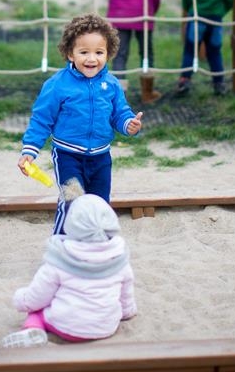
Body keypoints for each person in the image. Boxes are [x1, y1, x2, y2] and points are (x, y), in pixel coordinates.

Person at [18, 13, 143, 235]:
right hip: (68, 155)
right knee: (72, 202)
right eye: (84, 52)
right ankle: (61, 241)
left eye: (99, 52)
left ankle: (96, 244)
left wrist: (128, 124)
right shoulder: (57, 85)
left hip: (101, 157)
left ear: (108, 53)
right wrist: (30, 150)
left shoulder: (111, 84)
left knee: (99, 204)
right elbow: (41, 119)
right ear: (70, 53)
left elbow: (119, 113)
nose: (91, 59)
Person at [2, 181, 137, 347]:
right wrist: (127, 311)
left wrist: (21, 299)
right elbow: (126, 294)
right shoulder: (119, 257)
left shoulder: (61, 258)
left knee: (37, 312)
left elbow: (37, 297)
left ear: (71, 223)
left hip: (66, 327)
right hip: (106, 327)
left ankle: (32, 329)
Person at [176, 0, 233, 96]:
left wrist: (190, 8)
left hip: (197, 17)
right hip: (215, 19)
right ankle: (219, 83)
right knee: (214, 51)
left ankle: (184, 81)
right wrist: (221, 11)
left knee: (190, 50)